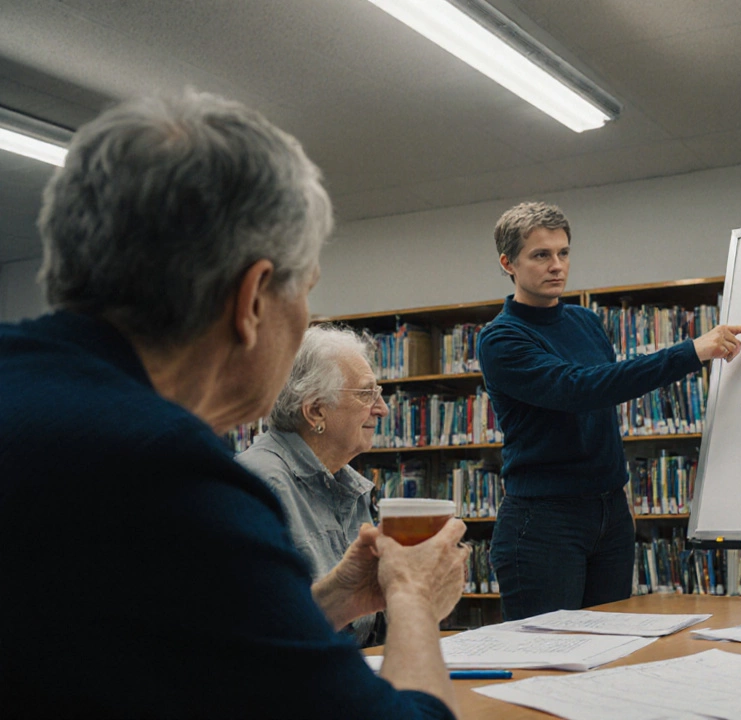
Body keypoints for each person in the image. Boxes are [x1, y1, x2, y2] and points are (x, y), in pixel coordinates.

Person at [0, 91, 468, 718]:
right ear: (252, 299)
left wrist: (336, 600)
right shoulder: (167, 475)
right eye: (305, 290)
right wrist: (411, 595)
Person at [477, 201, 741, 620]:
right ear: (508, 263)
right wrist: (692, 351)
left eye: (564, 253)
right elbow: (582, 389)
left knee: (607, 645)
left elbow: (604, 400)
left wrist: (616, 495)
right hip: (544, 522)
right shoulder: (501, 339)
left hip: (609, 513)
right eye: (541, 255)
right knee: (546, 661)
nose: (557, 266)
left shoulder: (585, 321)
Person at [237, 324, 390, 647]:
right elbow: (263, 626)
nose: (382, 409)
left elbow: (366, 623)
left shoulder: (350, 486)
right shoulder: (258, 487)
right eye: (366, 394)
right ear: (315, 411)